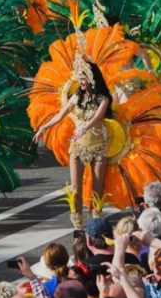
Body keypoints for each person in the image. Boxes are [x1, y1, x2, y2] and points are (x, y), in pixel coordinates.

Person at [33, 37, 111, 229]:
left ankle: (95, 224)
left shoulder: (104, 98)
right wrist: (44, 126)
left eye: (84, 78)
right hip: (77, 147)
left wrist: (84, 126)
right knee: (75, 189)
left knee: (97, 190)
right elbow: (60, 115)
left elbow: (98, 118)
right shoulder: (76, 97)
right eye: (80, 78)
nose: (81, 82)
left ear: (93, 78)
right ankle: (78, 225)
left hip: (99, 147)